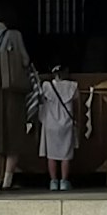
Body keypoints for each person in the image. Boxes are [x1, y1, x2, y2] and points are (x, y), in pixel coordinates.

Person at [0, 12, 36, 191]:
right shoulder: (15, 35)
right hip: (11, 87)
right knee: (13, 130)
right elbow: (25, 60)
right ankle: (8, 180)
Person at [34, 61, 82, 191]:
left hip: (50, 125)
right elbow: (77, 103)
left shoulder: (46, 86)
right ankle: (64, 181)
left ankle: (53, 182)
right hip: (66, 124)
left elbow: (40, 103)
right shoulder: (72, 86)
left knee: (52, 155)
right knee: (65, 155)